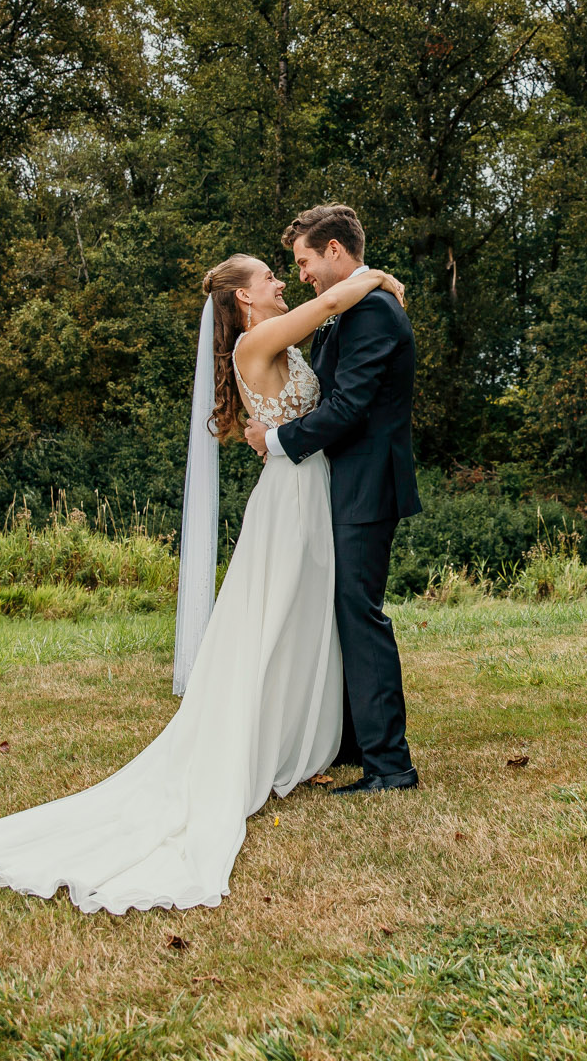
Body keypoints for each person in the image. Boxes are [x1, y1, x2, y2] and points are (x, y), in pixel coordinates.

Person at [0, 247, 404, 914]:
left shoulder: (281, 341)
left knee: (302, 621)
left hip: (311, 487)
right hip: (292, 497)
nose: (278, 281)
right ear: (243, 300)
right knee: (272, 621)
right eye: (268, 275)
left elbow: (310, 372)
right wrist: (375, 276)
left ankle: (303, 735)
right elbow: (329, 303)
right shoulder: (258, 340)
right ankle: (262, 743)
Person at [245, 203, 423, 793]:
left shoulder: (371, 311)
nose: (299, 275)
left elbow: (347, 410)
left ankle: (390, 764)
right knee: (339, 612)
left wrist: (273, 439)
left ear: (336, 253)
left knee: (360, 614)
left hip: (366, 486)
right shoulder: (351, 308)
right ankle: (350, 741)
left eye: (304, 261)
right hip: (340, 485)